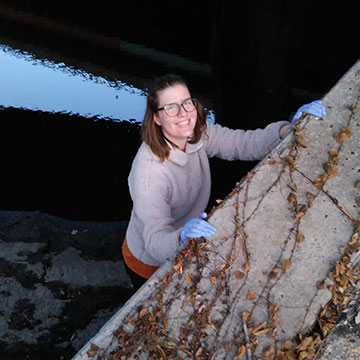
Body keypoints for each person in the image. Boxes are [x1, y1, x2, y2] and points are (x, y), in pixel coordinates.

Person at [122, 74, 326, 290]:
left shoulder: (197, 133)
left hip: (188, 237)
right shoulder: (149, 173)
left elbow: (242, 143)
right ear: (156, 118)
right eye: (171, 108)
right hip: (148, 262)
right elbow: (155, 242)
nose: (183, 113)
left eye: (187, 103)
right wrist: (182, 237)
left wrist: (288, 129)